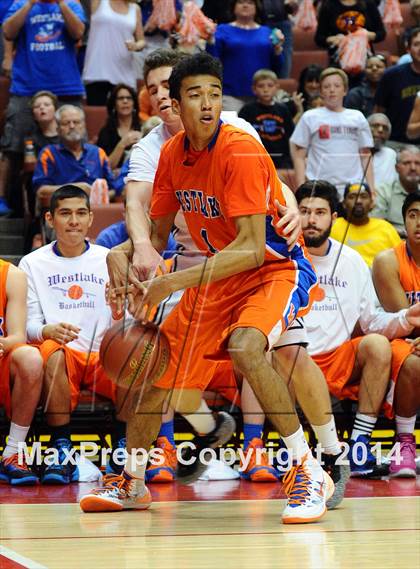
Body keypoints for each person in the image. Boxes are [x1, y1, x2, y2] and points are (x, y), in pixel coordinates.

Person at [80, 52, 339, 524]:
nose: (206, 104)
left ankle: (308, 470)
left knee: (247, 347)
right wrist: (117, 254)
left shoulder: (239, 148)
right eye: (195, 95)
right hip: (213, 277)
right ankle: (133, 482)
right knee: (154, 367)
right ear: (174, 104)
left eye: (214, 94)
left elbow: (251, 249)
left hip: (272, 270)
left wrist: (169, 284)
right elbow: (156, 237)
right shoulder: (171, 156)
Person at [296, 180, 420, 476]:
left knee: (377, 344)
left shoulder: (351, 261)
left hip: (337, 358)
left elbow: (371, 322)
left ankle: (359, 446)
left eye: (319, 212)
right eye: (304, 211)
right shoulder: (281, 256)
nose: (311, 220)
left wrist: (405, 318)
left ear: (333, 218)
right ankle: (297, 453)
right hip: (293, 359)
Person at [18, 185, 126, 484]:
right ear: (51, 219)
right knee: (50, 349)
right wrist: (45, 330)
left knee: (133, 348)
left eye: (80, 213)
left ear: (91, 218)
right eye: (65, 214)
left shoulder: (110, 258)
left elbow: (128, 318)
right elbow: (26, 325)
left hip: (105, 355)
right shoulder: (32, 263)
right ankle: (61, 447)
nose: (74, 221)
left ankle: (122, 444)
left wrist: (119, 312)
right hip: (64, 358)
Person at [0, 0, 86, 215]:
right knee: (11, 147)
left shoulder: (71, 4)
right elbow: (8, 31)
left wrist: (61, 4)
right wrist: (29, 4)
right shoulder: (21, 4)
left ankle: (79, 197)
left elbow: (78, 33)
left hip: (65, 86)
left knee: (75, 142)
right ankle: (2, 198)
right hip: (26, 86)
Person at [372, 192, 420, 477]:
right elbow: (409, 320)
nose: (419, 222)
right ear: (403, 222)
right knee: (413, 361)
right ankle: (404, 442)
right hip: (401, 338)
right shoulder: (387, 261)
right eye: (413, 214)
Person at [290, 67, 374, 199]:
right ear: (321, 91)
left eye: (337, 86)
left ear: (345, 90)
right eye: (326, 86)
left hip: (352, 188)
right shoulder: (310, 117)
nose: (332, 90)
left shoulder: (357, 117)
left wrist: (372, 189)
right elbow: (299, 156)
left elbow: (365, 155)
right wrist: (302, 187)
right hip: (319, 187)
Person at [0, 261, 43, 485]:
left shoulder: (12, 275)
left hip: (1, 359)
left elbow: (17, 337)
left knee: (31, 358)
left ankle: (13, 452)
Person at [206, 0, 285, 113]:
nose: (245, 5)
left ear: (257, 7)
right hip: (231, 94)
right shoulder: (222, 30)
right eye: (241, 2)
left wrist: (278, 49)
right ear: (233, 7)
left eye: (250, 2)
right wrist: (210, 41)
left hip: (262, 96)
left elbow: (278, 66)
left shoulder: (267, 32)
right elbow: (212, 60)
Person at [32, 105, 115, 206]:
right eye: (66, 123)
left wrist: (97, 196)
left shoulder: (98, 153)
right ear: (58, 129)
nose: (72, 126)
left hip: (95, 210)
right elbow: (41, 191)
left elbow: (114, 189)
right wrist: (76, 189)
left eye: (76, 122)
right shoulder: (49, 153)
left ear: (83, 126)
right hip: (62, 210)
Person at [82, 0, 145, 106]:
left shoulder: (135, 8)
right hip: (97, 71)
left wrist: (136, 45)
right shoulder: (99, 2)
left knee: (126, 117)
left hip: (125, 72)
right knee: (98, 116)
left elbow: (141, 40)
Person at [330, 182, 401, 267]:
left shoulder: (385, 227)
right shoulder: (332, 225)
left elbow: (401, 259)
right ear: (344, 204)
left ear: (371, 203)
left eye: (363, 196)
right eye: (352, 197)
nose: (358, 201)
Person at [238, 69, 294, 169]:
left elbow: (291, 135)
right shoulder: (247, 110)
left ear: (277, 88)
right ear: (254, 89)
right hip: (255, 158)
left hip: (280, 159)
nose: (265, 89)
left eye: (270, 85)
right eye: (261, 86)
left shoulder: (283, 110)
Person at [374, 27, 420, 146]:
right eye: (417, 44)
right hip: (395, 143)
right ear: (408, 49)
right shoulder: (391, 76)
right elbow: (379, 112)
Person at [314, 0, 386, 74]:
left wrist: (370, 35)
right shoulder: (328, 5)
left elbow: (381, 33)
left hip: (365, 60)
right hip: (338, 61)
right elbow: (319, 38)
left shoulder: (369, 4)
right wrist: (331, 39)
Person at [372, 145, 420, 236]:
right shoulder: (383, 191)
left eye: (417, 163)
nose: (413, 168)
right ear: (396, 168)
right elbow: (377, 226)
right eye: (407, 163)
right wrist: (407, 234)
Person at [97, 84, 142, 170]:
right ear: (114, 104)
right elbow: (104, 167)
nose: (125, 101)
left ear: (134, 103)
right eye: (120, 98)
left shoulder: (143, 128)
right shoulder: (106, 132)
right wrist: (122, 144)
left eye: (129, 98)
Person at [260, 0, 298, 79]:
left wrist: (291, 4)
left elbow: (293, 9)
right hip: (261, 21)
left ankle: (282, 87)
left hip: (283, 21)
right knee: (262, 62)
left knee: (284, 64)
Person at [367, 113, 397, 186]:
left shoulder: (391, 155)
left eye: (385, 128)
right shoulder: (353, 151)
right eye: (375, 126)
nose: (380, 130)